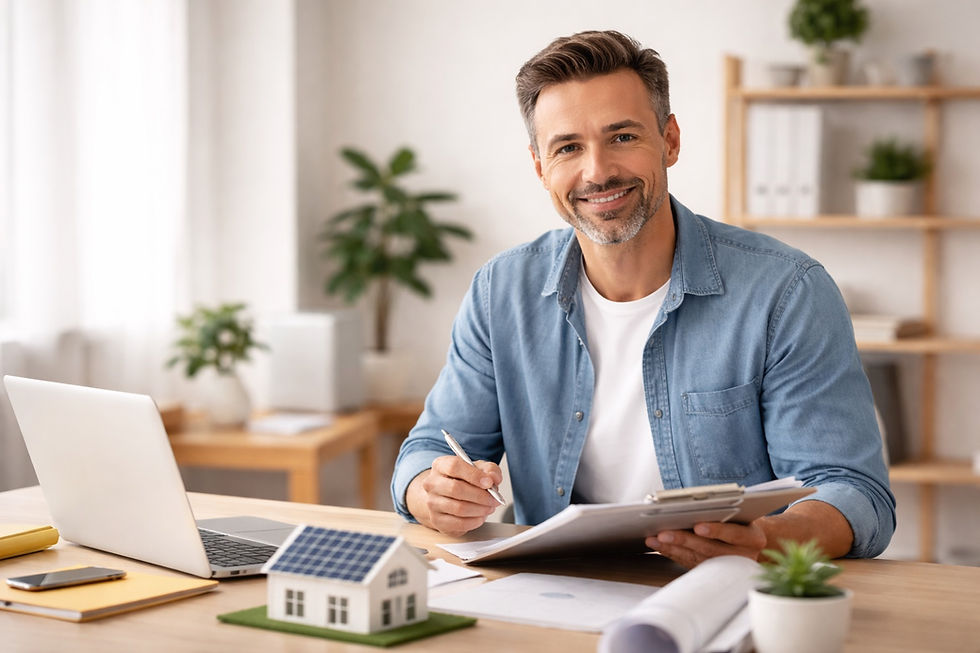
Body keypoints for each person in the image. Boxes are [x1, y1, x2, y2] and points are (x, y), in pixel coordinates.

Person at [391, 30, 895, 568]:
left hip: (727, 591)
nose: (597, 170)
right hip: (557, 590)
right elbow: (427, 451)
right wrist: (432, 490)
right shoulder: (501, 292)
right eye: (568, 148)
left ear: (670, 140)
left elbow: (852, 491)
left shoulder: (787, 291)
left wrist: (767, 539)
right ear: (540, 167)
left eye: (623, 137)